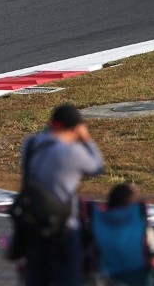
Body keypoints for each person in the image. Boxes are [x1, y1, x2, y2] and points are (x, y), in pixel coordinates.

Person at [20, 103, 104, 286]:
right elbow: (97, 166)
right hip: (64, 227)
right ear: (75, 128)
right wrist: (86, 139)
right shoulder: (72, 152)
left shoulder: (30, 145)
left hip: (32, 224)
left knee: (36, 279)